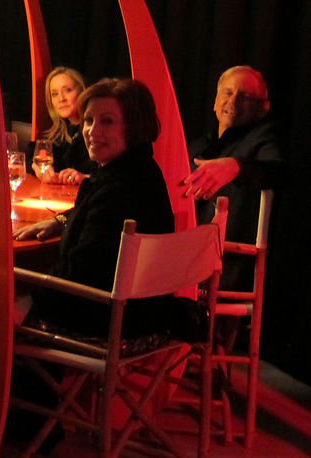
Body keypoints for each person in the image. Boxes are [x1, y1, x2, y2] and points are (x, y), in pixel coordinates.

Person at [14, 77, 174, 335]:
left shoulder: (121, 187)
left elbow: (81, 271)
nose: (92, 131)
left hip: (109, 321)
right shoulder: (140, 169)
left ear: (134, 126)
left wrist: (26, 294)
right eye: (89, 120)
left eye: (107, 122)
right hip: (147, 313)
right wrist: (60, 220)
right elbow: (97, 216)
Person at [181, 65, 282, 288]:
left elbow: (276, 171)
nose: (233, 101)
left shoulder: (264, 137)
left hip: (227, 268)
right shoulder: (196, 147)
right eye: (228, 92)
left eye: (245, 97)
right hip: (180, 259)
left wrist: (236, 167)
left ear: (263, 108)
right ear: (215, 102)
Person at [38, 65, 92, 181]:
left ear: (82, 91)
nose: (61, 99)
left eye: (67, 90)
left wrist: (86, 177)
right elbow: (36, 156)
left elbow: (117, 174)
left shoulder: (97, 131)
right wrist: (38, 168)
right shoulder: (56, 135)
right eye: (55, 94)